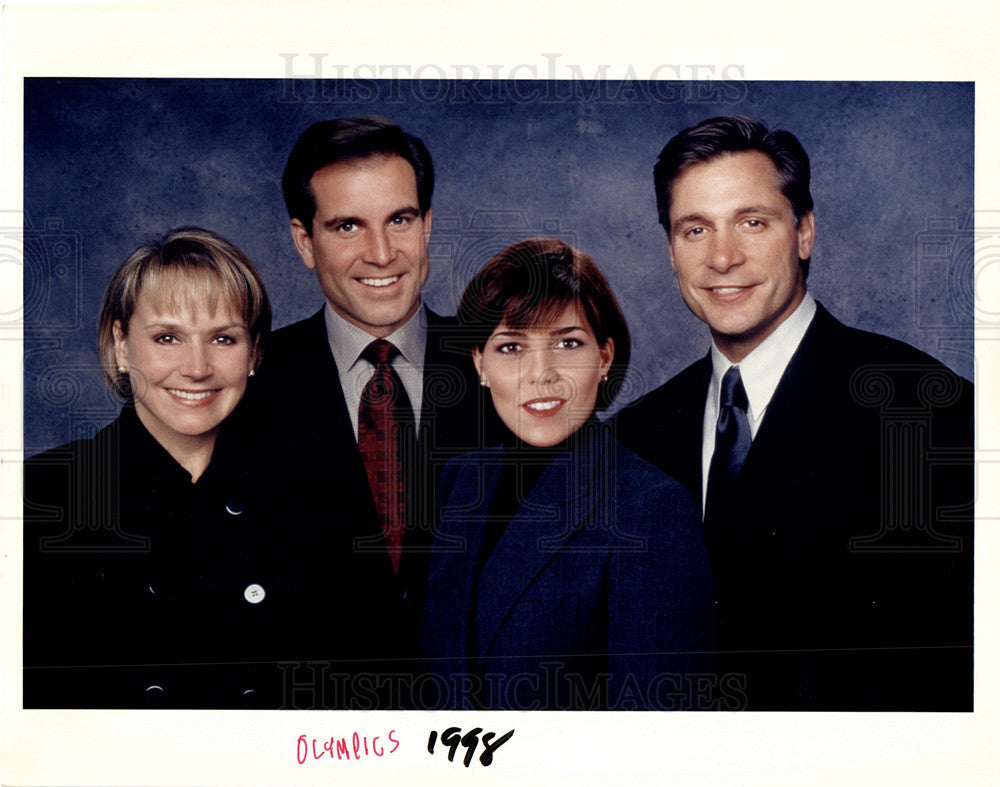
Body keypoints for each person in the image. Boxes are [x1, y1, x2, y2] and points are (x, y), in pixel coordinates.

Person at [615, 116, 974, 710]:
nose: (723, 257)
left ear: (804, 233)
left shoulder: (922, 410)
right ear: (671, 253)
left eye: (752, 223)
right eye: (695, 229)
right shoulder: (638, 434)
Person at [22, 227, 355, 708]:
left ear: (255, 353)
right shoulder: (40, 496)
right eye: (167, 337)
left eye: (223, 338)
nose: (197, 367)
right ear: (121, 344)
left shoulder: (312, 496)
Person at [249, 116, 498, 693]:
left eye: (400, 220)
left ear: (427, 225)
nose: (381, 253)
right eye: (347, 227)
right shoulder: (248, 382)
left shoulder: (506, 372)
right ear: (305, 242)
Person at [422, 238, 715, 711]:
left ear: (604, 357)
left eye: (567, 343)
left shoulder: (651, 507)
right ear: (480, 364)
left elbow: (657, 740)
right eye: (511, 346)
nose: (542, 374)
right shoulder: (461, 481)